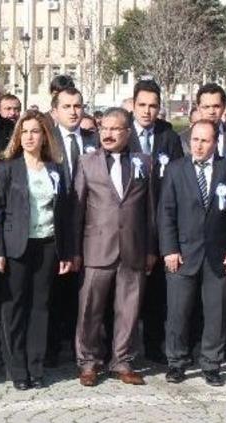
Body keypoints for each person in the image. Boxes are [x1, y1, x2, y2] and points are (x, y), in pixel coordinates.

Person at [71, 108, 157, 387]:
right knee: (90, 309)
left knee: (129, 308)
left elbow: (150, 210)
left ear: (127, 133)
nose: (107, 133)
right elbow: (77, 209)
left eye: (115, 129)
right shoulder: (86, 162)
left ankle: (122, 360)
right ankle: (88, 362)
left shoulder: (145, 162)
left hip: (133, 247)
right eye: (103, 128)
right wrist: (75, 250)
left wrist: (151, 248)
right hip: (97, 248)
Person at [159, 120, 226, 387]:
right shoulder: (175, 170)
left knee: (216, 313)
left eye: (205, 141)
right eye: (195, 140)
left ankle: (211, 363)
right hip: (182, 254)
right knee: (178, 311)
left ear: (215, 143)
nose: (198, 146)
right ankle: (177, 362)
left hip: (219, 256)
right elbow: (165, 214)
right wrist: (170, 249)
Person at [0, 110, 71, 389]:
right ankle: (17, 369)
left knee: (40, 307)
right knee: (14, 308)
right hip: (16, 246)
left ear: (44, 136)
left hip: (48, 244)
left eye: (35, 132)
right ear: (18, 136)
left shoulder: (56, 169)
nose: (29, 137)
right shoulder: (6, 168)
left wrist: (66, 251)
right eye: (24, 131)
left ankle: (35, 367)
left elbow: (65, 213)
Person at [128, 79, 185, 363]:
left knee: (156, 290)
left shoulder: (169, 136)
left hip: (160, 219)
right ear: (132, 104)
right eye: (142, 105)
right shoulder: (122, 132)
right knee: (125, 288)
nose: (147, 111)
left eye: (153, 106)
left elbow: (176, 179)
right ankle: (120, 347)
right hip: (128, 222)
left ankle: (153, 345)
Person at [48, 86, 97, 367]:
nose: (73, 111)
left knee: (85, 293)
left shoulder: (94, 140)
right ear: (55, 111)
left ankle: (84, 347)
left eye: (78, 106)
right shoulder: (48, 140)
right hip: (56, 225)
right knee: (55, 292)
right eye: (66, 106)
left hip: (90, 225)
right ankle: (52, 348)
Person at [180, 84, 226, 175]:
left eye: (216, 106)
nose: (211, 112)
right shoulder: (183, 139)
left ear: (224, 107)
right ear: (198, 108)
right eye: (206, 107)